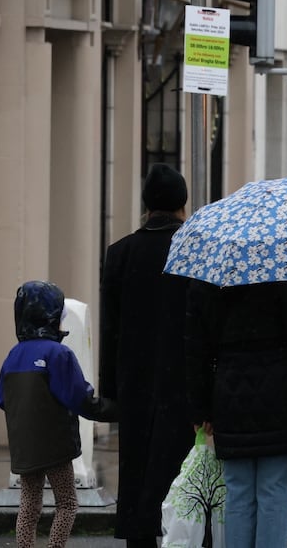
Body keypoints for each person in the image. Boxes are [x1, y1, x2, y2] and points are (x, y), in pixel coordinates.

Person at [99, 162, 194, 548]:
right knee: (182, 481)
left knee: (138, 475)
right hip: (184, 382)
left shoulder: (120, 253)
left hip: (135, 381)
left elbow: (110, 328)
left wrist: (111, 391)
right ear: (181, 204)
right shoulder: (193, 251)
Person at [184, 280, 287, 548]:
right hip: (279, 397)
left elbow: (195, 348)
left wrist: (200, 408)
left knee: (238, 494)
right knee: (275, 493)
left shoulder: (209, 281)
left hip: (230, 397)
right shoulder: (280, 277)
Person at [0, 281, 118, 548]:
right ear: (50, 314)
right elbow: (78, 398)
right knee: (67, 502)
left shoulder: (13, 355)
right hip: (55, 444)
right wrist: (116, 410)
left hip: (25, 445)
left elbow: (1, 398)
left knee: (29, 503)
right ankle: (55, 546)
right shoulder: (58, 353)